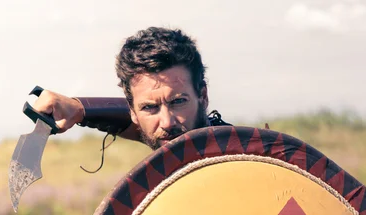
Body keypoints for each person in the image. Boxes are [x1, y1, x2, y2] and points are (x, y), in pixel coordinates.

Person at [30, 26, 230, 151]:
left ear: (203, 97)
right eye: (149, 107)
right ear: (133, 112)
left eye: (178, 101)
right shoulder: (163, 138)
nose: (167, 123)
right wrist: (79, 109)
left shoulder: (245, 153)